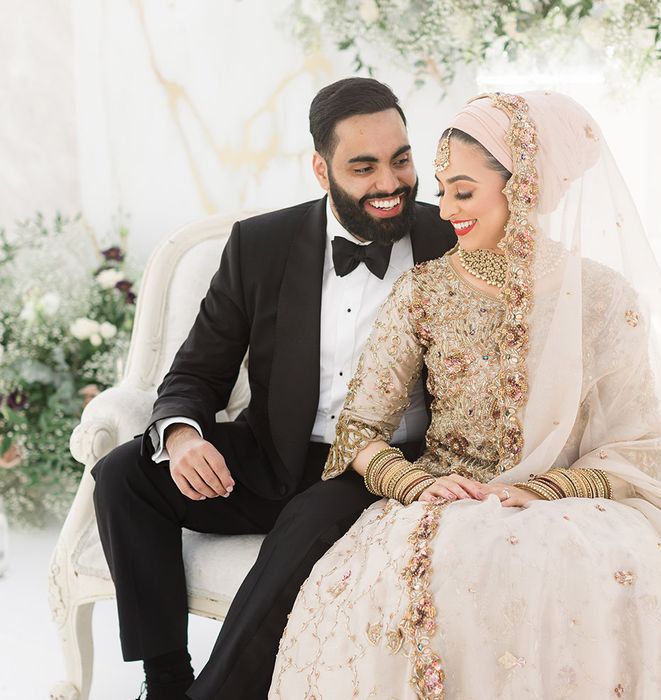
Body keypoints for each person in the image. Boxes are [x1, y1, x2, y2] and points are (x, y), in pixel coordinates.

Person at [269, 92, 661, 699]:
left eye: (464, 191)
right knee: (451, 574)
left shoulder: (601, 297)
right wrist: (417, 484)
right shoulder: (424, 291)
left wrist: (546, 488)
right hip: (442, 505)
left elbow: (639, 444)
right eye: (445, 188)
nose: (445, 208)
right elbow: (359, 428)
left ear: (524, 187)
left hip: (565, 510)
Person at [90, 76, 455, 700]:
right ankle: (166, 683)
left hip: (380, 470)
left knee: (307, 523)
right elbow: (196, 372)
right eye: (363, 167)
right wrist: (181, 436)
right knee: (124, 476)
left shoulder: (453, 239)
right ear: (321, 168)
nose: (390, 183)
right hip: (275, 453)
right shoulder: (260, 245)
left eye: (401, 159)